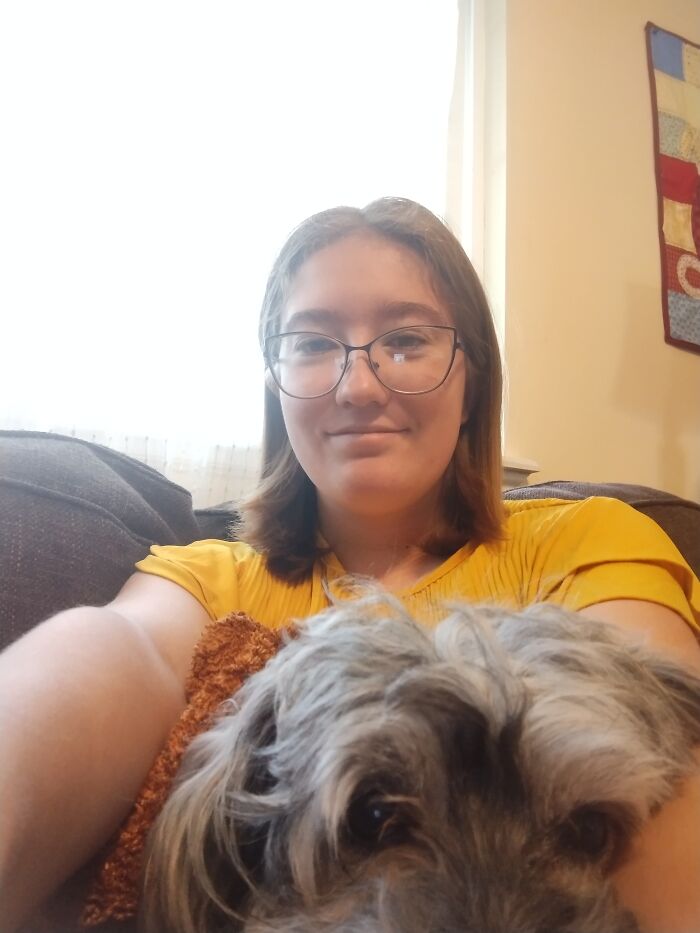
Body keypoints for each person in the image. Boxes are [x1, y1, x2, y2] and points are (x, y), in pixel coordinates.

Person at [1, 197, 699, 932]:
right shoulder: (204, 583)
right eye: (312, 343)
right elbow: (109, 658)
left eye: (406, 339)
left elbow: (668, 772)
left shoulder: (587, 540)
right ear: (276, 385)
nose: (359, 386)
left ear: (472, 381)